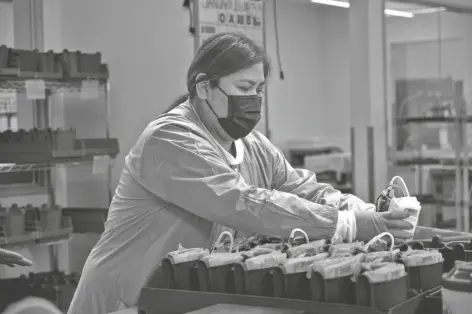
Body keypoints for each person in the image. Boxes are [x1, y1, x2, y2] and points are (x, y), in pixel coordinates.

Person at [68, 32, 412, 314]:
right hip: (124, 298)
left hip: (180, 297)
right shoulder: (169, 138)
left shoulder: (253, 145)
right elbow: (243, 202)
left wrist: (362, 209)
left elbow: (297, 187)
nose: (254, 99)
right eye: (244, 88)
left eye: (259, 89)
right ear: (204, 87)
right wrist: (346, 224)